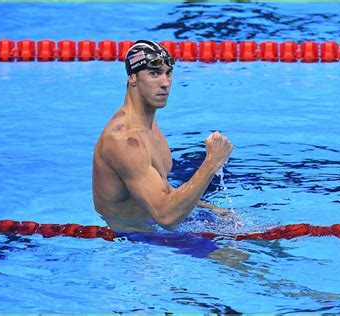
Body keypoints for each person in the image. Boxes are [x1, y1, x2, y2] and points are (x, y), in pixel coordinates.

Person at [92, 40, 234, 233]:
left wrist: (213, 210)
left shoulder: (149, 126)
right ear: (132, 78)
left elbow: (162, 189)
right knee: (239, 258)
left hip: (154, 232)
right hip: (133, 241)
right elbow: (166, 217)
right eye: (154, 74)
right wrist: (211, 163)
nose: (165, 83)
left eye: (168, 73)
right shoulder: (124, 141)